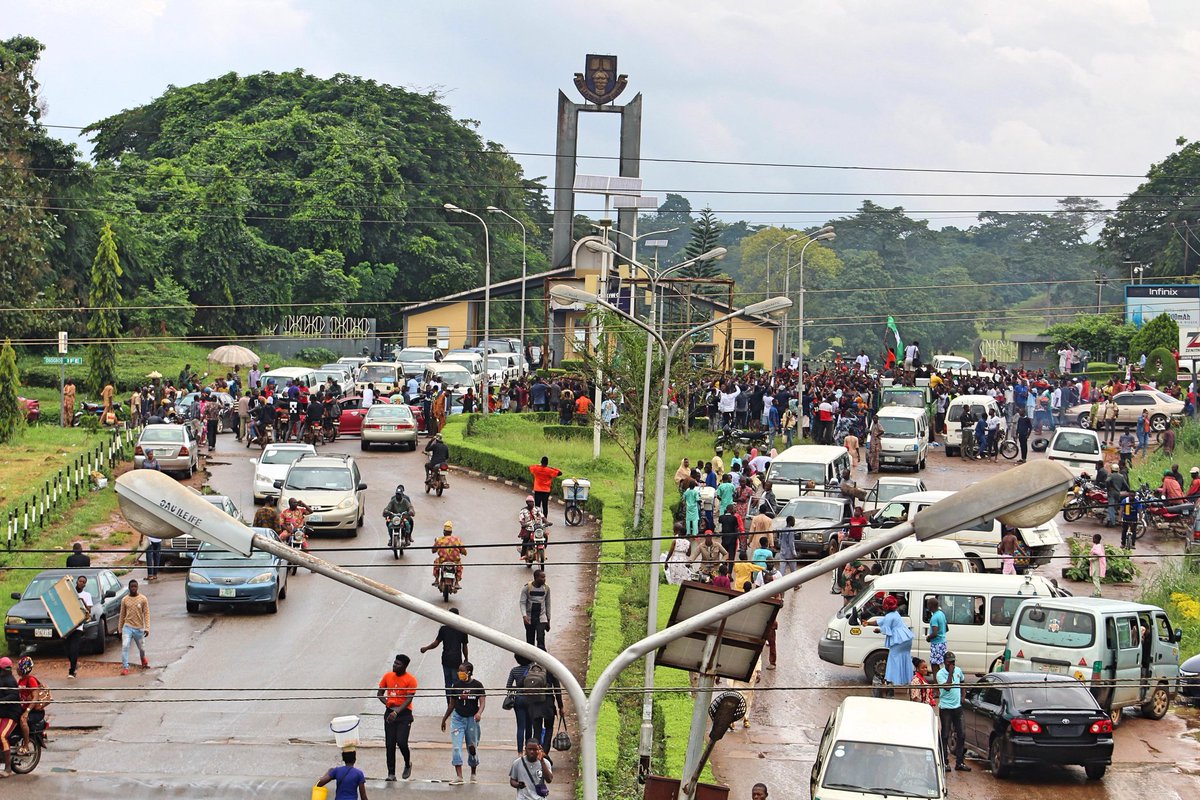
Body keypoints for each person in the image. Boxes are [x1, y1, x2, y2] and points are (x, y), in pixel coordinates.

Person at [441, 661, 484, 785]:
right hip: (458, 719)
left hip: (472, 719)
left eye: (462, 671)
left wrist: (479, 713)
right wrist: (444, 719)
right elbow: (452, 704)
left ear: (469, 672)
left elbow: (482, 702)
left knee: (472, 747)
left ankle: (473, 773)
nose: (459, 673)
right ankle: (459, 776)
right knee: (456, 747)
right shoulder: (456, 685)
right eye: (459, 671)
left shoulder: (477, 685)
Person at [377, 654, 417, 781]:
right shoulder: (387, 676)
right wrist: (388, 704)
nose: (394, 665)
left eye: (398, 664)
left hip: (404, 714)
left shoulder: (411, 680)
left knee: (401, 742)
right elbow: (380, 694)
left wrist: (397, 712)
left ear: (404, 666)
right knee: (389, 744)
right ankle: (391, 773)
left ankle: (407, 763)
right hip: (390, 712)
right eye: (394, 663)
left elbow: (408, 699)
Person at [419, 608, 469, 697]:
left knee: (448, 684)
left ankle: (449, 704)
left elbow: (436, 643)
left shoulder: (444, 629)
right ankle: (456, 704)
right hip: (456, 661)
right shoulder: (462, 630)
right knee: (456, 683)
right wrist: (466, 659)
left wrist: (426, 648)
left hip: (446, 660)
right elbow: (464, 646)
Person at [872, 595, 913, 694]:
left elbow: (884, 629)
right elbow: (880, 621)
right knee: (903, 660)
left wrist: (877, 630)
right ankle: (906, 682)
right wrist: (867, 623)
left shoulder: (889, 616)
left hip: (898, 641)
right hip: (906, 640)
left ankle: (891, 685)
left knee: (893, 661)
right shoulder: (896, 614)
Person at [936, 652, 970, 772]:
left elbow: (962, 682)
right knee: (945, 735)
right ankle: (944, 762)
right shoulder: (940, 674)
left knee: (961, 734)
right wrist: (950, 672)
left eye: (953, 662)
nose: (952, 664)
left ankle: (959, 762)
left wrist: (963, 696)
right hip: (946, 708)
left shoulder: (958, 670)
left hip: (957, 707)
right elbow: (948, 687)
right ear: (945, 662)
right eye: (950, 662)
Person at [118, 579, 150, 676]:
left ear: (137, 587)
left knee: (142, 649)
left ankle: (143, 659)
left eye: (135, 586)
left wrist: (147, 628)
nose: (133, 588)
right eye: (132, 586)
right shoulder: (125, 600)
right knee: (125, 646)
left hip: (139, 628)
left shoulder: (143, 599)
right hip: (127, 627)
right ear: (129, 587)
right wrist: (120, 628)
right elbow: (122, 615)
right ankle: (125, 667)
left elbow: (147, 614)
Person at [66, 574, 93, 679]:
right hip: (68, 625)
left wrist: (82, 602)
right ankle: (74, 663)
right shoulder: (70, 592)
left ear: (85, 585)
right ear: (76, 582)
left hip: (78, 626)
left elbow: (89, 611)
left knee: (74, 648)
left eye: (83, 582)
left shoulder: (87, 595)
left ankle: (72, 671)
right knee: (67, 648)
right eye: (80, 581)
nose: (81, 583)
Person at [520, 570, 551, 650]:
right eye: (542, 577)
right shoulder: (527, 588)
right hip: (529, 618)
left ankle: (543, 659)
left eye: (544, 577)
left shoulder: (546, 588)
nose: (544, 579)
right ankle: (530, 660)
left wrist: (548, 620)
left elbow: (548, 604)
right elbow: (522, 602)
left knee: (540, 638)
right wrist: (524, 616)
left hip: (541, 617)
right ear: (536, 577)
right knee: (530, 640)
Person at [0, 657, 19, 778]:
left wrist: (1, 701)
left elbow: (14, 695)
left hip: (11, 714)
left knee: (1, 735)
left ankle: (8, 768)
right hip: (2, 713)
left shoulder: (10, 680)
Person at [432, 521, 467, 587]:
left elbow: (433, 550)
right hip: (455, 561)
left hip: (442, 560)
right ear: (451, 532)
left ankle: (436, 579)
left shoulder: (440, 540)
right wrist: (464, 552)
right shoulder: (456, 539)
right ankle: (457, 582)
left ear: (444, 532)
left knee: (436, 563)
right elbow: (463, 550)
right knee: (459, 566)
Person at [518, 495, 548, 562]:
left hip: (538, 528)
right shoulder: (523, 511)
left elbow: (542, 516)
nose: (530, 503)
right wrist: (523, 524)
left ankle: (543, 549)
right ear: (526, 503)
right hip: (528, 528)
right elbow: (521, 519)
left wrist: (547, 522)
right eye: (529, 502)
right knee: (526, 539)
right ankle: (523, 554)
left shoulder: (537, 509)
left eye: (531, 502)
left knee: (545, 535)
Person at [925, 596, 948, 671]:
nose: (927, 606)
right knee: (941, 664)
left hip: (936, 644)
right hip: (943, 642)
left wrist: (928, 638)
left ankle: (936, 681)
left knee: (934, 665)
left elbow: (935, 633)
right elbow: (947, 628)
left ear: (931, 606)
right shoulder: (941, 614)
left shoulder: (934, 617)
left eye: (928, 604)